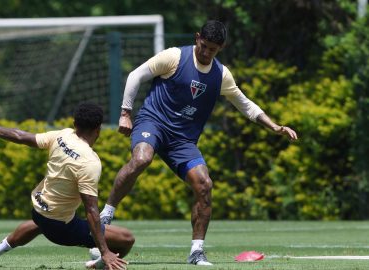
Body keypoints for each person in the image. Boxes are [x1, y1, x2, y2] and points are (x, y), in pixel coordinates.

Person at [97, 20, 298, 266]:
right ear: (197, 38)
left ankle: (196, 252)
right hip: (153, 123)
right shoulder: (174, 57)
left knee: (204, 184)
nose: (206, 52)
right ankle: (105, 215)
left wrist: (274, 126)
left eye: (212, 49)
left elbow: (245, 104)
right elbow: (136, 74)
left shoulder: (221, 75)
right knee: (142, 158)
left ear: (220, 48)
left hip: (182, 139)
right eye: (203, 46)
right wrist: (126, 112)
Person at [0, 103, 134, 269]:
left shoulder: (62, 135)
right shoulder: (90, 161)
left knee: (39, 223)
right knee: (126, 239)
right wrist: (104, 250)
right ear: (98, 130)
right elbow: (91, 210)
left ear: (75, 124)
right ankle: (101, 263)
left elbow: (20, 136)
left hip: (38, 211)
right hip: (63, 230)